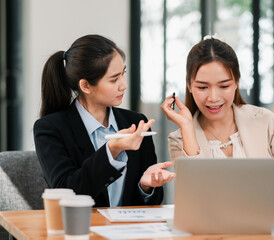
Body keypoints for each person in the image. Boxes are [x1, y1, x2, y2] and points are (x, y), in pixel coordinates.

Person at [161, 35, 274, 209]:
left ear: (236, 83)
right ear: (189, 85)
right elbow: (196, 199)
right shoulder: (180, 139)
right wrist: (187, 128)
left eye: (224, 86)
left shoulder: (263, 120)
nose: (213, 97)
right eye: (202, 87)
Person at [34, 34, 175, 207]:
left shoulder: (136, 122)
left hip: (128, 232)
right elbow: (67, 193)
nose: (124, 85)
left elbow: (150, 202)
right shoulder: (50, 129)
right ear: (85, 86)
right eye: (114, 79)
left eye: (123, 73)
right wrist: (112, 150)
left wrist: (145, 186)